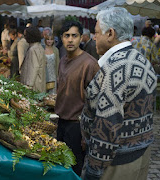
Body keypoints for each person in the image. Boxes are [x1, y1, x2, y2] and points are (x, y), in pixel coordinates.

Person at [81, 7, 157, 180]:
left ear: (110, 33)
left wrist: (93, 170)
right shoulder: (142, 60)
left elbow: (108, 125)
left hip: (116, 164)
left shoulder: (116, 68)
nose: (94, 37)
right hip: (140, 153)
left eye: (97, 32)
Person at [54, 21, 100, 176]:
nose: (70, 40)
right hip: (62, 122)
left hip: (78, 126)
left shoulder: (90, 64)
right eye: (66, 36)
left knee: (75, 169)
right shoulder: (62, 60)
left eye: (74, 35)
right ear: (62, 38)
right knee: (61, 166)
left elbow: (98, 103)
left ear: (81, 38)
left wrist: (87, 134)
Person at [20, 27, 46, 93]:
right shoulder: (39, 47)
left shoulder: (33, 49)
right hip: (39, 81)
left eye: (25, 35)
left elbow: (34, 68)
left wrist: (28, 86)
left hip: (34, 85)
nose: (24, 37)